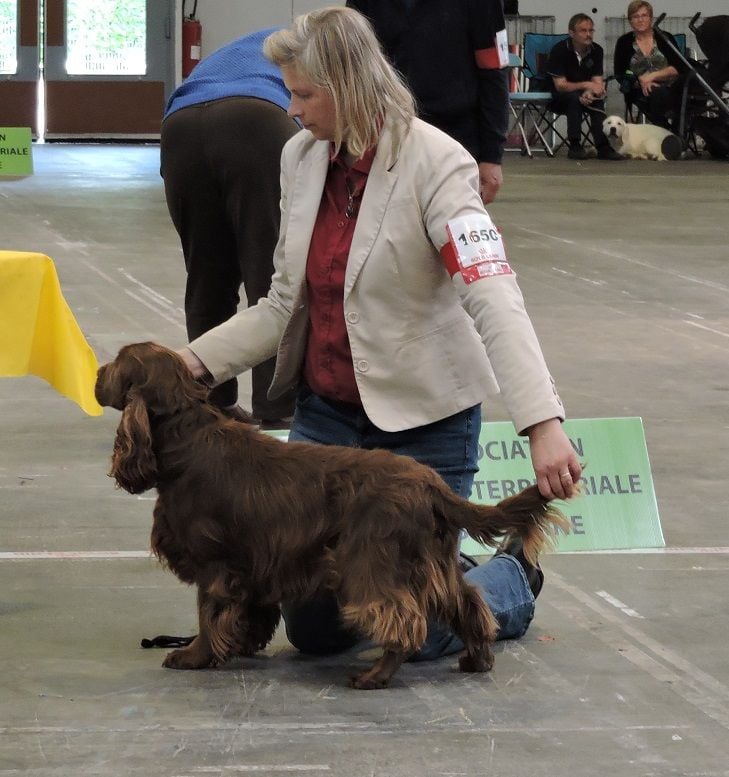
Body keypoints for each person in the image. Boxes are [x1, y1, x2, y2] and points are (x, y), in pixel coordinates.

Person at [178, 7, 582, 661]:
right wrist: (190, 363)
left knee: (406, 629)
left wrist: (541, 423)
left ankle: (506, 580)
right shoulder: (299, 157)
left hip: (425, 421)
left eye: (303, 93)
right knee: (315, 632)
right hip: (329, 423)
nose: (292, 106)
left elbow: (493, 296)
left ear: (348, 85)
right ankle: (451, 582)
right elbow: (281, 304)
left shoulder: (438, 163)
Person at [160, 28, 300, 428]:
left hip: (180, 125)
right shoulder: (326, 43)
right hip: (259, 118)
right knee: (272, 283)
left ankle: (211, 407)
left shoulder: (245, 44)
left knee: (207, 281)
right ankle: (278, 413)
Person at [345, 0, 509, 205]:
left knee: (448, 232)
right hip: (385, 139)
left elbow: (493, 70)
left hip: (456, 142)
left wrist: (492, 155)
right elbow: (352, 68)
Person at [546, 14, 624, 160]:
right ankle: (575, 145)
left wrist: (589, 92)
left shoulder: (597, 50)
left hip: (585, 94)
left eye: (591, 30)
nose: (588, 34)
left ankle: (603, 147)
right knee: (574, 99)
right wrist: (586, 85)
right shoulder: (559, 50)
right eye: (583, 31)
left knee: (598, 98)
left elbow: (597, 82)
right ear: (571, 33)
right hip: (560, 97)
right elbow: (560, 85)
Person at [613, 1, 684, 130]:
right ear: (630, 21)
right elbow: (621, 72)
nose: (640, 20)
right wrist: (639, 80)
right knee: (655, 92)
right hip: (639, 89)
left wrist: (652, 76)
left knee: (678, 94)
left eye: (644, 15)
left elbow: (679, 66)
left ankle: (672, 134)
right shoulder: (624, 42)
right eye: (635, 16)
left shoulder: (664, 37)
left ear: (651, 18)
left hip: (672, 86)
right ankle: (669, 134)